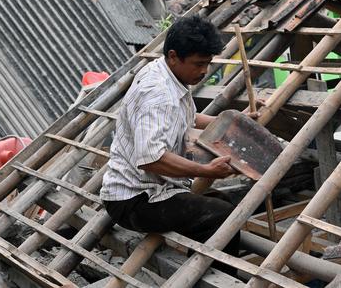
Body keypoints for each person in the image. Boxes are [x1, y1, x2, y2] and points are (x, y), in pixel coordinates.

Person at [100, 15, 243, 273]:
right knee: (222, 216)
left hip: (154, 189)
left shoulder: (170, 74)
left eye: (208, 64)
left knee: (223, 201)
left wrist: (233, 122)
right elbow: (152, 158)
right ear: (174, 56)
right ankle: (205, 278)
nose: (203, 71)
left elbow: (186, 116)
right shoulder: (158, 94)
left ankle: (197, 267)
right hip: (133, 200)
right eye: (198, 64)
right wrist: (206, 170)